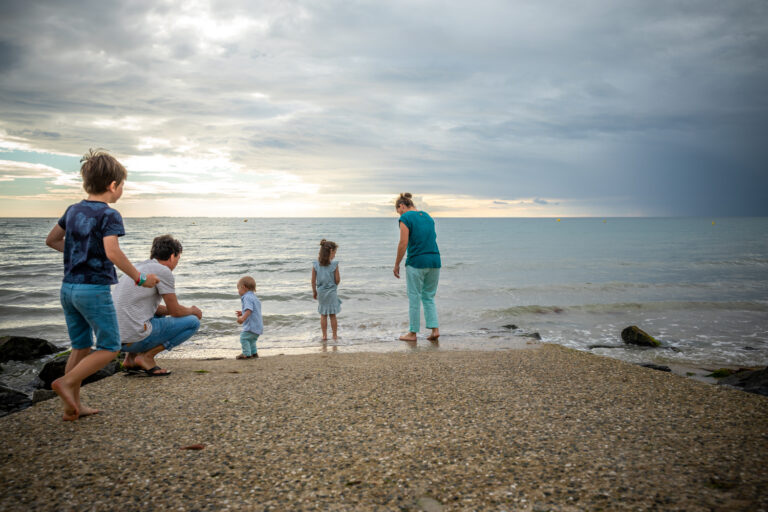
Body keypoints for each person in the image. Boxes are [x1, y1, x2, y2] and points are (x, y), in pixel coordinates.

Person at [45, 149, 159, 421]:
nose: (121, 191)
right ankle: (66, 382)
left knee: (81, 346)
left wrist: (79, 255)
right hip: (93, 291)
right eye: (122, 186)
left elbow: (52, 240)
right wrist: (140, 278)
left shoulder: (73, 210)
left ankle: (71, 406)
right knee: (110, 347)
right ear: (113, 186)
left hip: (68, 289)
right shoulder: (109, 214)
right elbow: (113, 252)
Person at [113, 235, 202, 375]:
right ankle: (146, 357)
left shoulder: (137, 267)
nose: (176, 263)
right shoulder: (163, 271)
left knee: (151, 312)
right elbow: (175, 311)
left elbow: (146, 307)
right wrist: (192, 310)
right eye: (178, 259)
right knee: (193, 322)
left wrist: (171, 311)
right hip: (135, 337)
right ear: (172, 256)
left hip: (116, 340)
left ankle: (130, 359)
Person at [393, 193, 441, 342]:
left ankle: (412, 333)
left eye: (398, 211)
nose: (399, 214)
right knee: (428, 297)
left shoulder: (405, 218)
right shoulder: (428, 217)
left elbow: (403, 243)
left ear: (401, 206)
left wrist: (397, 264)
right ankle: (435, 330)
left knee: (414, 297)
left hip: (417, 262)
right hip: (434, 260)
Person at [311, 239, 341, 341]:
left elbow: (313, 281)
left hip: (321, 292)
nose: (335, 256)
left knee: (323, 315)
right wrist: (334, 284)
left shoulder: (315, 264)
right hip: (331, 292)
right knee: (332, 315)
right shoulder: (334, 264)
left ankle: (324, 335)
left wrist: (314, 292)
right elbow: (337, 280)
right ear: (331, 252)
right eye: (334, 253)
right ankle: (335, 335)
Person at [235, 276, 263, 359]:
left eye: (238, 288)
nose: (238, 291)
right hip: (258, 326)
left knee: (244, 338)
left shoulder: (246, 297)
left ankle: (246, 354)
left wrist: (243, 318)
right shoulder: (254, 298)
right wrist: (242, 312)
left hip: (251, 325)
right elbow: (253, 310)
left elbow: (249, 309)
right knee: (252, 340)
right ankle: (254, 353)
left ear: (243, 287)